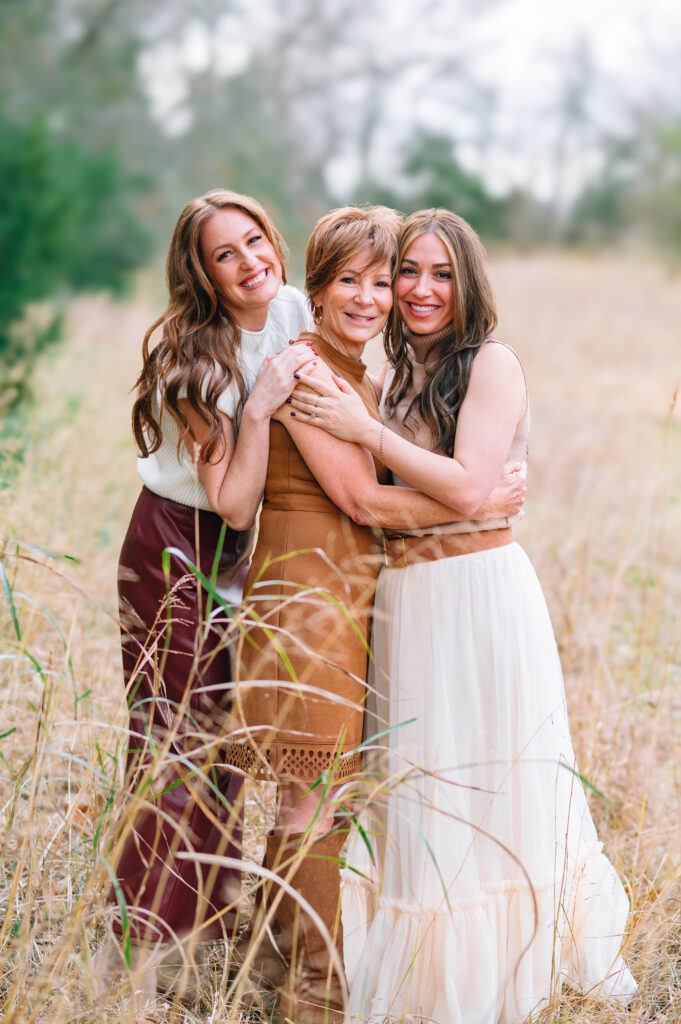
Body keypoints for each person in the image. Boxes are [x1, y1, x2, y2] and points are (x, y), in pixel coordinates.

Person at [288, 208, 637, 1022]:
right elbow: (439, 495)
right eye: (405, 270)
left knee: (497, 774)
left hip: (480, 598)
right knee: (425, 784)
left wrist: (379, 439)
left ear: (467, 282)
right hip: (409, 603)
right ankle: (426, 977)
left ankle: (516, 963)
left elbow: (468, 481)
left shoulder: (492, 363)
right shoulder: (393, 370)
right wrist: (460, 496)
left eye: (439, 273)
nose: (417, 288)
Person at [224, 205, 526, 1024]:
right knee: (310, 800)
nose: (367, 298)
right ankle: (314, 1001)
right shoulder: (309, 373)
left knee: (320, 799)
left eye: (375, 280)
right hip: (307, 606)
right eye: (345, 281)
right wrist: (480, 507)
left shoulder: (359, 373)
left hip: (347, 601)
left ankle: (276, 968)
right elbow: (365, 500)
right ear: (312, 289)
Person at [98, 189, 316, 1008]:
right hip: (177, 545)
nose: (249, 261)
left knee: (226, 737)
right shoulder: (193, 358)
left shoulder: (296, 308)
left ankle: (210, 926)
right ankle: (140, 944)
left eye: (254, 239)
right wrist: (257, 407)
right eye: (225, 255)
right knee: (173, 740)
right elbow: (230, 500)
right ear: (203, 274)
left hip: (243, 553)